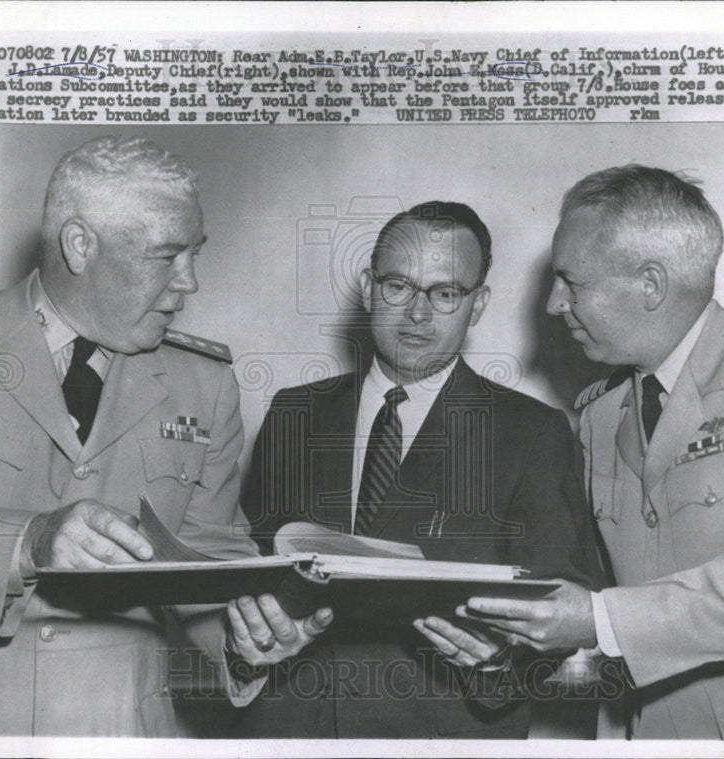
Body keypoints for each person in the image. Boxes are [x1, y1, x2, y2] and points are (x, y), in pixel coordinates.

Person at [0, 135, 331, 737]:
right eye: (165, 255)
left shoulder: (206, 383)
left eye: (195, 253)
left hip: (122, 729)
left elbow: (207, 564)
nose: (189, 281)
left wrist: (250, 636)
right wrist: (30, 541)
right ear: (81, 245)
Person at [437, 165, 724, 740]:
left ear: (650, 284)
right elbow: (599, 631)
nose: (555, 304)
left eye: (571, 282)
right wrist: (501, 655)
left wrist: (597, 618)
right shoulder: (600, 416)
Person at [233, 201, 599, 738]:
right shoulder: (294, 412)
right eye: (398, 286)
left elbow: (563, 611)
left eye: (446, 293)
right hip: (292, 732)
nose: (418, 314)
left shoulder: (534, 431)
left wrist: (499, 665)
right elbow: (248, 573)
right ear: (367, 287)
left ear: (478, 306)